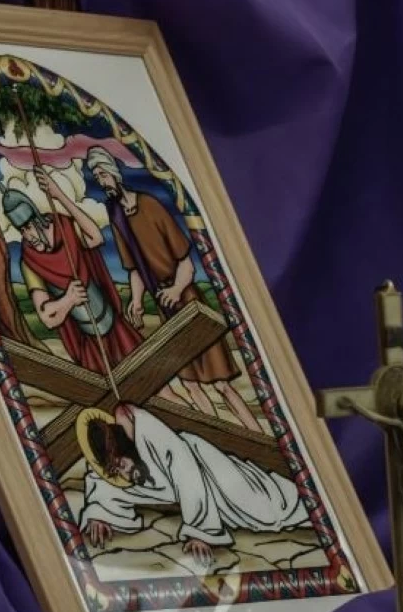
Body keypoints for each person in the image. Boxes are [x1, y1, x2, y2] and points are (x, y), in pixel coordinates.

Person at [83, 146, 267, 432]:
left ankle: (255, 433)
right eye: (97, 177)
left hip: (190, 302)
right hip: (166, 309)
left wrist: (177, 289)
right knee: (191, 385)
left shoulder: (150, 205)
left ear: (114, 172)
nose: (102, 180)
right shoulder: (117, 218)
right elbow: (134, 269)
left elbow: (186, 264)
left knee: (221, 384)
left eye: (103, 173)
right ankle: (224, 436)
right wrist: (136, 301)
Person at [77, 403, 309, 565]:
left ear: (125, 447)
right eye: (116, 469)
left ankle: (305, 501)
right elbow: (100, 479)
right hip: (186, 478)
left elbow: (188, 476)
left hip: (205, 465)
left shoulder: (154, 438)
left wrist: (201, 533)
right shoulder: (122, 466)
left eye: (121, 464)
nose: (124, 473)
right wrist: (100, 514)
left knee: (265, 508)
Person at [3, 170, 140, 373]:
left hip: (115, 327)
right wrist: (68, 299)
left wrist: (59, 195)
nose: (28, 236)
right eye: (22, 230)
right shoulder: (29, 263)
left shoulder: (64, 227)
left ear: (37, 219)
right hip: (90, 343)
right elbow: (48, 318)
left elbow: (96, 238)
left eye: (29, 227)